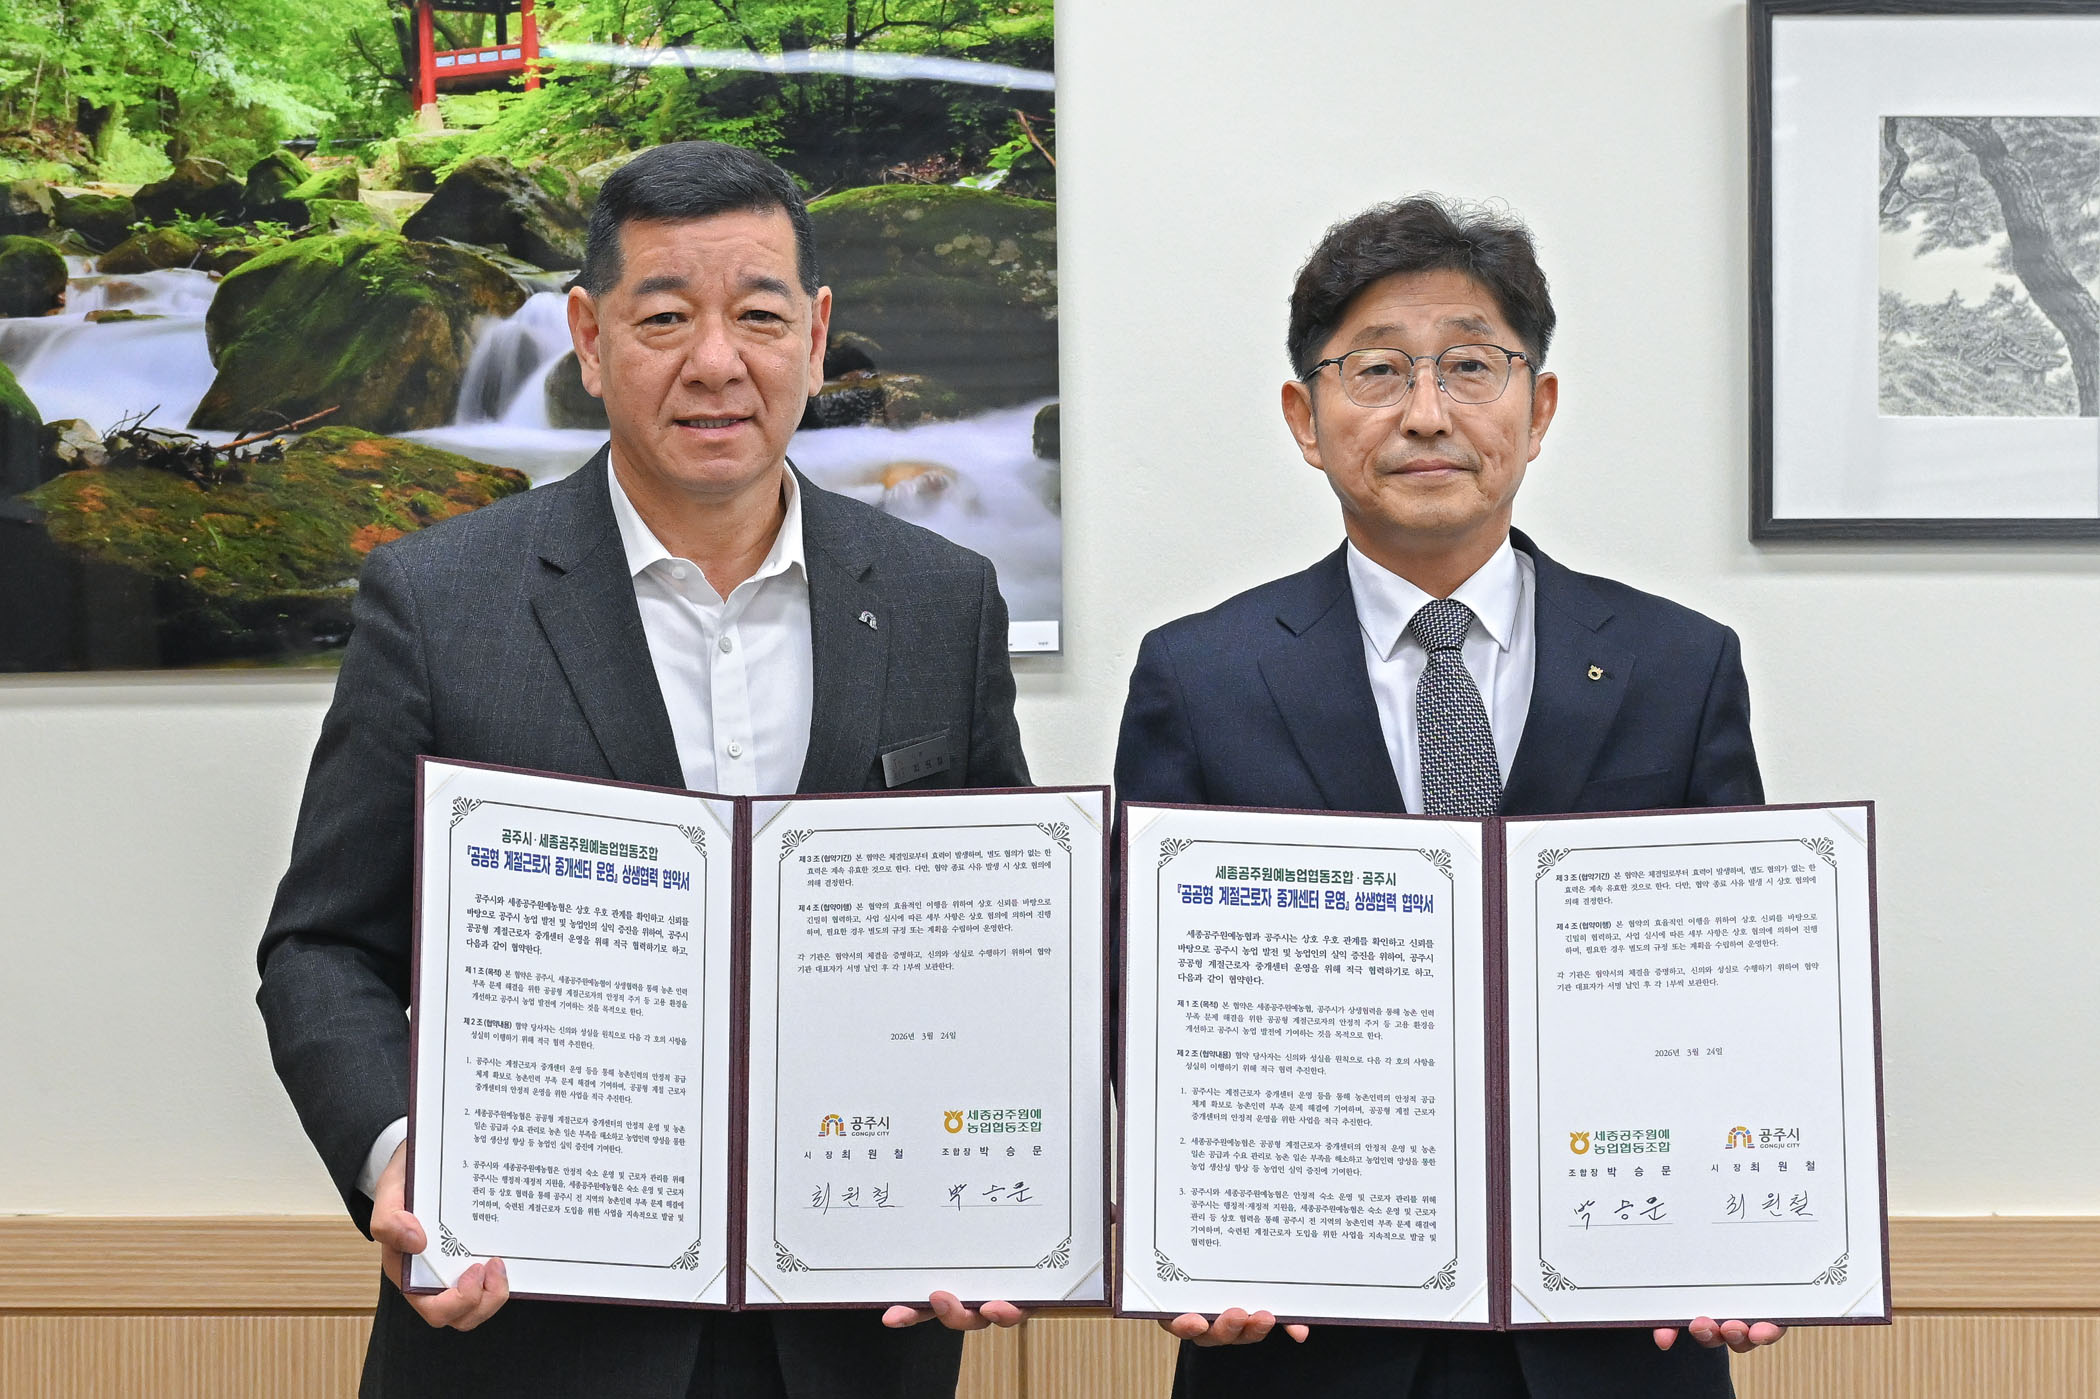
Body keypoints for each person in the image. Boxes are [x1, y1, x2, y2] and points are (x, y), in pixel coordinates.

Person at [257, 140, 1030, 1399]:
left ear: (817, 338)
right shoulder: (440, 600)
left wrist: (1009, 1188)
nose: (716, 362)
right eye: (665, 318)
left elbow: (1007, 946)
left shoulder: (945, 599)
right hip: (530, 1330)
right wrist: (398, 1155)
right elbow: (324, 947)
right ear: (589, 337)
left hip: (853, 1330)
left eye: (759, 317)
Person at [1114, 195, 1784, 1399]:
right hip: (1304, 1334)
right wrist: (1187, 1234)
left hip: (1611, 1337)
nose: (1427, 412)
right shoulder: (1200, 674)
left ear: (1540, 409)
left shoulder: (1681, 665)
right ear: (1306, 420)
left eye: (1471, 366)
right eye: (1377, 370)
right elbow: (1148, 999)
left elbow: (1734, 991)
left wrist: (1743, 1227)